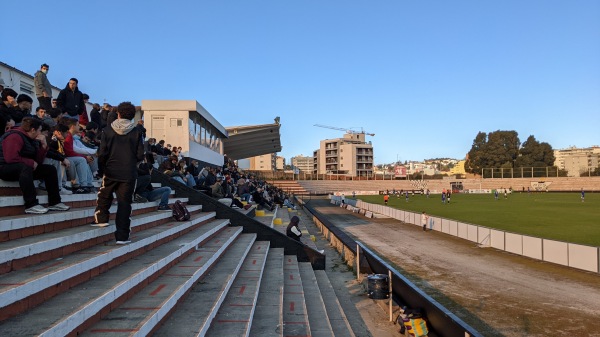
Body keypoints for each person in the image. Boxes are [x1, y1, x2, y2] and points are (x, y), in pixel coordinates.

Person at [91, 102, 144, 245]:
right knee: (125, 203)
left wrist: (102, 169)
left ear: (118, 114)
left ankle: (101, 218)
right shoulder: (137, 131)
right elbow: (140, 155)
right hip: (128, 172)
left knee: (104, 193)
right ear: (133, 116)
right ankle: (122, 236)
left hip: (110, 169)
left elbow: (102, 153)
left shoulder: (107, 130)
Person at [0, 117, 70, 214]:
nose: (41, 133)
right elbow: (11, 158)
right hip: (5, 168)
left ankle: (55, 202)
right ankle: (31, 204)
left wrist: (44, 146)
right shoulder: (14, 136)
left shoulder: (33, 139)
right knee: (25, 167)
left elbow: (38, 161)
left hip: (23, 168)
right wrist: (30, 163)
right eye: (40, 130)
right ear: (33, 130)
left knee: (50, 169)